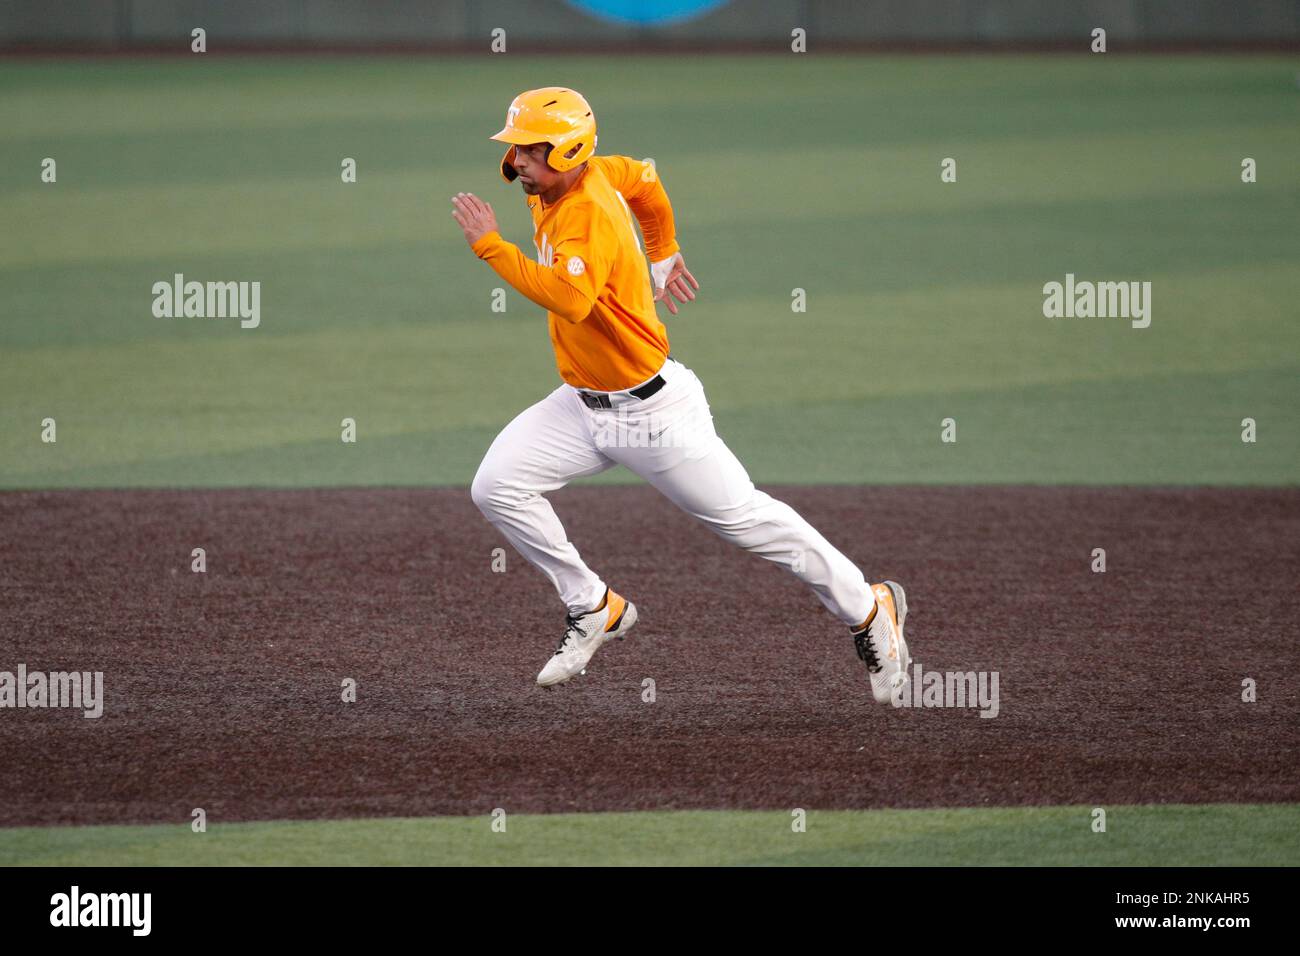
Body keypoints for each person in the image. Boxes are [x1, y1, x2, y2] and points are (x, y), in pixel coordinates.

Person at [451, 87, 911, 703]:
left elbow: (571, 299)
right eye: (515, 150)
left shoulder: (585, 211)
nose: (516, 164)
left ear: (566, 150)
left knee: (746, 521)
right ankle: (593, 606)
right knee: (497, 486)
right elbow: (645, 178)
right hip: (582, 404)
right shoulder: (584, 175)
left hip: (652, 414)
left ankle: (869, 607)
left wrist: (490, 245)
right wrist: (663, 248)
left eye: (528, 152)